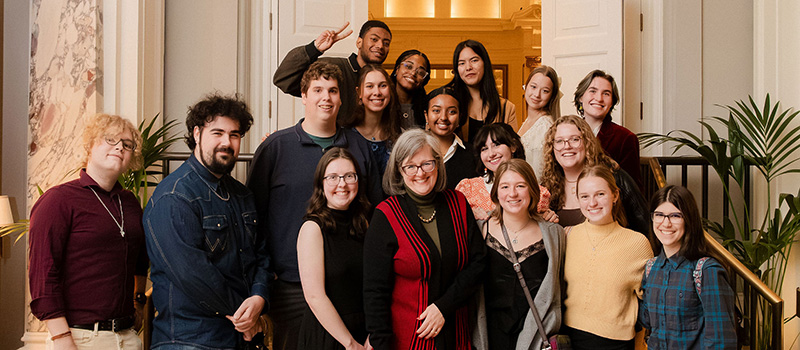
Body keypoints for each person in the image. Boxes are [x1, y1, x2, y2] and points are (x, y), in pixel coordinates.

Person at [249, 61, 382, 350]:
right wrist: (264, 271)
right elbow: (253, 216)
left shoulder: (358, 147)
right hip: (291, 288)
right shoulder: (275, 147)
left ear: (342, 97)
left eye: (333, 91)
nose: (326, 97)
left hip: (351, 288)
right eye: (318, 90)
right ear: (304, 95)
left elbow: (375, 211)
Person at [143, 94, 269, 349]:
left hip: (239, 338)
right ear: (197, 133)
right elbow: (193, 274)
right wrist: (244, 316)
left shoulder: (242, 193)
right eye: (218, 133)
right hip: (190, 340)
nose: (227, 142)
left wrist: (259, 298)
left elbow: (263, 255)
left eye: (234, 135)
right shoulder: (174, 196)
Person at [29, 113, 148, 350]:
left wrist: (138, 304)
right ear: (91, 145)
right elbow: (43, 274)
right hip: (79, 338)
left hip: (127, 337)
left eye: (127, 145)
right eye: (111, 140)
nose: (119, 148)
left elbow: (140, 261)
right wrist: (62, 339)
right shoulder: (58, 199)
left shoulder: (130, 203)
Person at [363, 129, 487, 350]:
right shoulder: (386, 215)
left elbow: (478, 264)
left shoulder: (457, 203)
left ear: (438, 164)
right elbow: (375, 291)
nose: (419, 173)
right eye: (410, 166)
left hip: (456, 335)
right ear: (400, 171)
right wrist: (380, 342)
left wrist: (443, 307)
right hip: (407, 339)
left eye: (427, 163)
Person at [561, 165, 653, 350]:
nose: (592, 203)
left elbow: (650, 300)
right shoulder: (567, 236)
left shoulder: (637, 243)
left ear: (615, 195)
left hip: (615, 343)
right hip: (568, 337)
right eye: (585, 196)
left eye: (600, 194)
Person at [479, 159, 565, 349]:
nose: (512, 193)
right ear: (496, 193)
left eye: (520, 185)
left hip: (535, 336)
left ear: (532, 190)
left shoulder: (553, 235)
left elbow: (561, 291)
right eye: (505, 186)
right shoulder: (480, 230)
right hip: (491, 335)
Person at [639, 185, 737, 349]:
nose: (666, 223)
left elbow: (721, 341)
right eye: (659, 215)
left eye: (675, 216)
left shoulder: (706, 270)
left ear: (689, 220)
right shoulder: (651, 268)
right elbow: (646, 319)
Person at [297, 148, 372, 350]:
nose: (342, 184)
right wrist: (350, 344)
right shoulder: (312, 228)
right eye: (332, 177)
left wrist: (373, 335)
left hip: (366, 334)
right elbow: (314, 296)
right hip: (329, 335)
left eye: (349, 176)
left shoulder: (365, 224)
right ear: (321, 184)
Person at [540, 115, 649, 234]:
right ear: (552, 147)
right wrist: (542, 221)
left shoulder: (614, 177)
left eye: (575, 139)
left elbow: (644, 226)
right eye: (559, 141)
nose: (567, 146)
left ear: (587, 143)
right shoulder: (546, 188)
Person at [274, 20, 392, 121]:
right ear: (359, 42)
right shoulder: (332, 67)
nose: (380, 46)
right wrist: (314, 48)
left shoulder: (384, 85)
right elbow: (284, 80)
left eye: (386, 43)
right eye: (374, 39)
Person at [455, 123, 551, 222]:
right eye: (484, 149)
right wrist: (467, 215)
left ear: (513, 146)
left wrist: (549, 217)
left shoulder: (538, 193)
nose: (491, 154)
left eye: (496, 145)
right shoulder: (468, 189)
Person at [573, 70, 643, 190]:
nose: (599, 98)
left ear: (612, 102)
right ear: (580, 97)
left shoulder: (625, 138)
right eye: (593, 91)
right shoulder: (567, 133)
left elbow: (632, 189)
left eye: (606, 93)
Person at [448, 39, 517, 143]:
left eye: (474, 60)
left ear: (485, 63)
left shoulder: (506, 108)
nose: (468, 67)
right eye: (462, 63)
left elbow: (514, 149)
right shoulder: (450, 104)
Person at [342, 64, 402, 176]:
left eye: (383, 86)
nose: (377, 92)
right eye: (369, 86)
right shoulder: (345, 136)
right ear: (359, 92)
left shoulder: (400, 136)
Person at [424, 85, 477, 189]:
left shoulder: (474, 155)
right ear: (426, 116)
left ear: (459, 117)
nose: (443, 117)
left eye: (451, 112)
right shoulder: (413, 151)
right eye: (436, 110)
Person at [519, 65, 561, 178]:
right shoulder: (528, 121)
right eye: (533, 87)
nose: (537, 95)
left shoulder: (545, 126)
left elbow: (539, 173)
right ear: (525, 86)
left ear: (551, 96)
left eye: (545, 91)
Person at [390, 49, 431, 128]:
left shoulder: (427, 109)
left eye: (420, 72)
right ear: (397, 69)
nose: (413, 73)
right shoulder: (381, 102)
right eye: (408, 67)